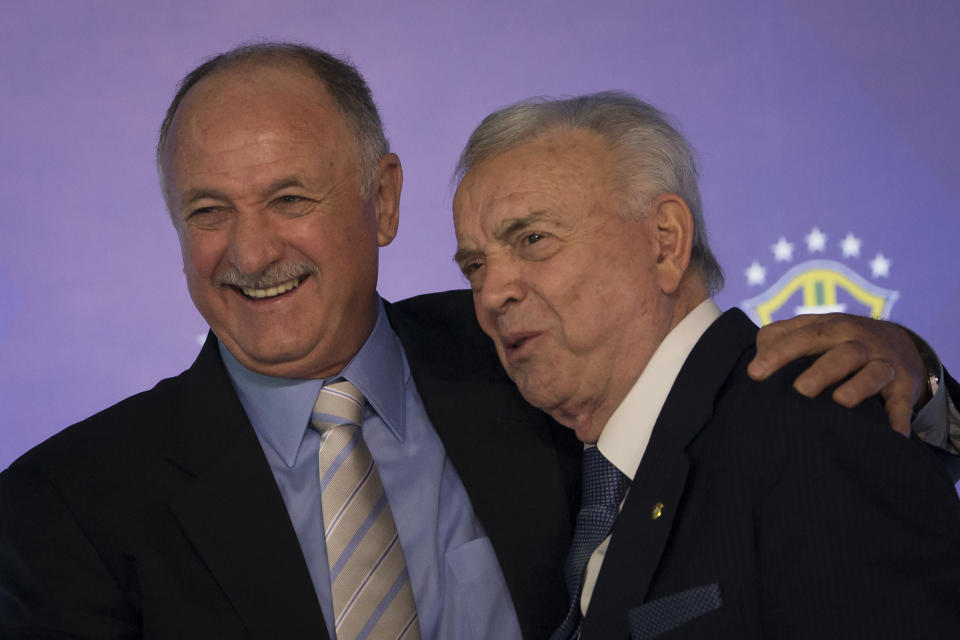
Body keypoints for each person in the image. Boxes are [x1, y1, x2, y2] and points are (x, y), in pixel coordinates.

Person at [0, 43, 953, 639]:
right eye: (210, 211)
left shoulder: (533, 362)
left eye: (290, 199)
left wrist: (914, 376)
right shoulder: (66, 507)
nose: (251, 250)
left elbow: (735, 431)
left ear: (381, 203)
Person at [451, 91, 960, 639]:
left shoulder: (815, 419)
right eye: (476, 265)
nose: (491, 293)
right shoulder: (573, 475)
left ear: (666, 242)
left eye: (533, 239)